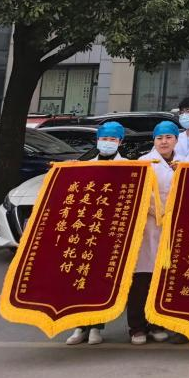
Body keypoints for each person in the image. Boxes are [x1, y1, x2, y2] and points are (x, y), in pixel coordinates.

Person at [64, 121, 127, 346]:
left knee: (102, 280)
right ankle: (79, 326)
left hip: (111, 232)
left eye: (113, 139)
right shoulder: (84, 166)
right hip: (85, 230)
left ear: (120, 142)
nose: (108, 143)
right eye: (104, 139)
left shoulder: (129, 167)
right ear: (97, 140)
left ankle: (97, 327)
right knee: (80, 279)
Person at [127, 121, 177, 345]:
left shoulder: (184, 162)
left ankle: (157, 324)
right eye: (159, 138)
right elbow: (139, 193)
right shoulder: (144, 162)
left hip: (172, 229)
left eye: (168, 137)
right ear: (154, 141)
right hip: (147, 228)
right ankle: (137, 327)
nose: (164, 142)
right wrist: (159, 211)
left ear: (176, 140)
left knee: (163, 279)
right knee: (141, 278)